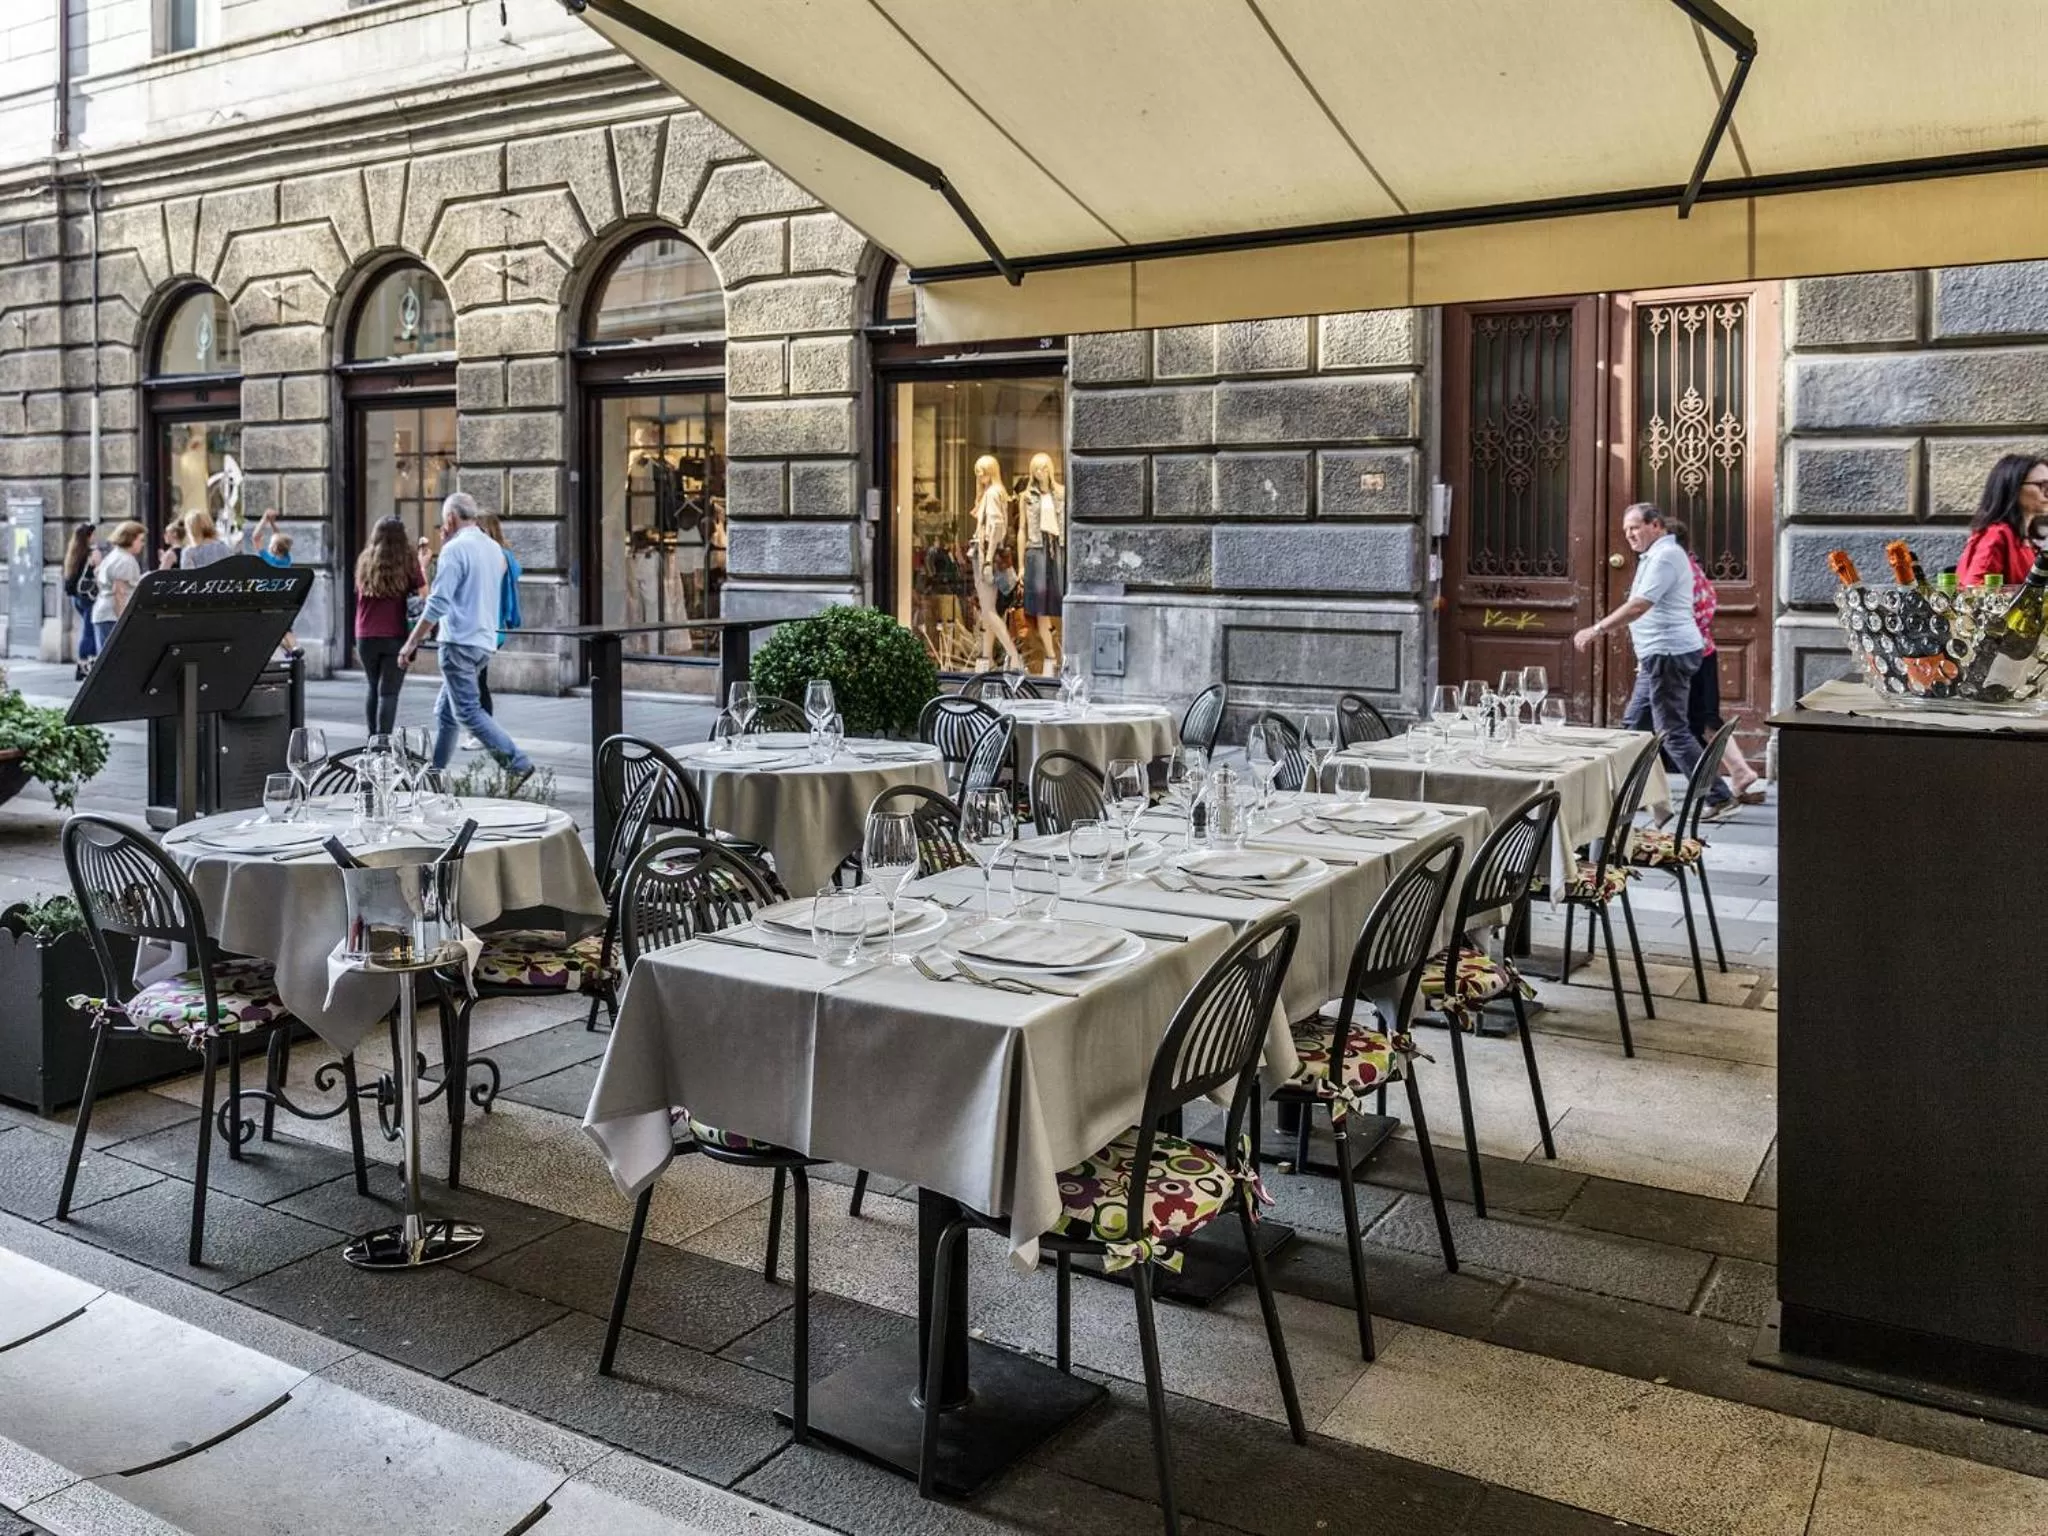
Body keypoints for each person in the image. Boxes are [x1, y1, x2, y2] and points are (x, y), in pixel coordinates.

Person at [1574, 502, 1728, 810]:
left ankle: (1718, 795)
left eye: (1635, 527)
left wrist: (1597, 629)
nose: (1629, 535)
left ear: (1655, 525)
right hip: (1657, 655)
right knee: (1633, 728)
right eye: (1626, 530)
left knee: (1673, 733)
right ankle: (1627, 797)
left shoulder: (1665, 557)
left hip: (1667, 654)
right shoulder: (1656, 555)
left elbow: (1639, 606)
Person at [397, 492, 533, 789]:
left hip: (458, 641)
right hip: (483, 641)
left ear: (450, 518)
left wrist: (411, 643)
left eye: (443, 521)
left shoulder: (455, 549)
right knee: (445, 712)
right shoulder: (493, 549)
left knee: (468, 712)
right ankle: (433, 776)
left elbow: (438, 603)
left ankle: (517, 763)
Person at [1668, 520, 1764, 809]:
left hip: (1685, 653)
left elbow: (1691, 613)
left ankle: (1735, 774)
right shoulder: (1690, 567)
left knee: (1689, 722)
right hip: (1700, 650)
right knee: (1700, 718)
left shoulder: (1678, 570)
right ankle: (1738, 772)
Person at [354, 515, 423, 737]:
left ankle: (371, 740)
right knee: (389, 693)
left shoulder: (365, 559)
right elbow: (424, 595)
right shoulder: (409, 561)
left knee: (373, 687)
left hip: (365, 634)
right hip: (396, 634)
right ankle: (383, 744)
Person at [469, 513, 523, 738]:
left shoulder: (496, 557)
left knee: (476, 681)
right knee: (476, 680)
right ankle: (480, 731)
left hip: (487, 627)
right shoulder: (503, 555)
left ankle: (483, 732)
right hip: (490, 626)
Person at [1957, 454, 2048, 587]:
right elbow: (1975, 592)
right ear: (2013, 487)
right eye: (2043, 485)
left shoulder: (2026, 540)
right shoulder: (1996, 535)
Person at [90, 521, 146, 655]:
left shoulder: (113, 555)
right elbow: (119, 592)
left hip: (103, 612)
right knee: (114, 659)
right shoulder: (125, 560)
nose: (143, 544)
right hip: (112, 616)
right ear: (130, 539)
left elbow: (99, 578)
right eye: (140, 540)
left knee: (105, 659)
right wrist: (123, 621)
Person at [62, 525, 100, 680]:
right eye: (94, 534)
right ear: (89, 536)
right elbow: (100, 571)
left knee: (86, 628)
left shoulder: (73, 553)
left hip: (77, 597)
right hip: (89, 596)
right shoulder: (92, 553)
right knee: (89, 631)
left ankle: (83, 664)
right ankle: (85, 664)